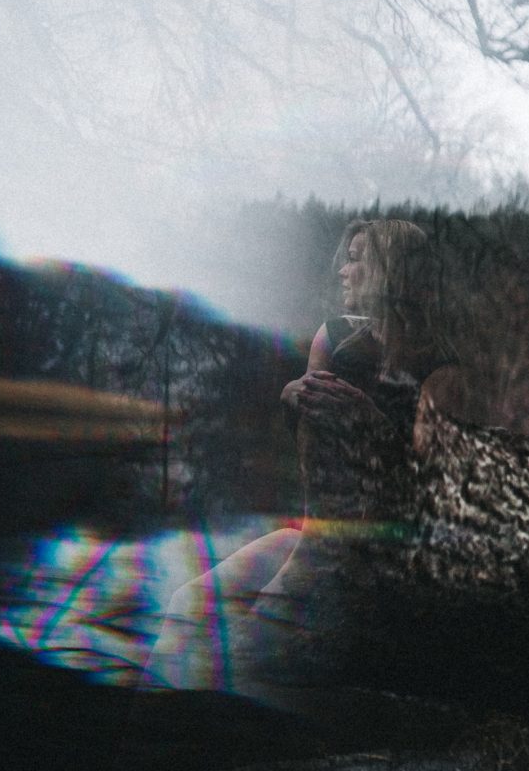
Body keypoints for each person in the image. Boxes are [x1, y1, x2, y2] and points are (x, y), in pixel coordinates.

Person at [149, 219, 458, 688]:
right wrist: (292, 401)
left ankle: (175, 740)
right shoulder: (334, 340)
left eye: (356, 259)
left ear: (388, 271)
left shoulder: (443, 370)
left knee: (244, 651)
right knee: (186, 606)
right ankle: (133, 743)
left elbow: (435, 493)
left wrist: (368, 420)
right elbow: (314, 459)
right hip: (317, 532)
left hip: (382, 553)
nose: (343, 271)